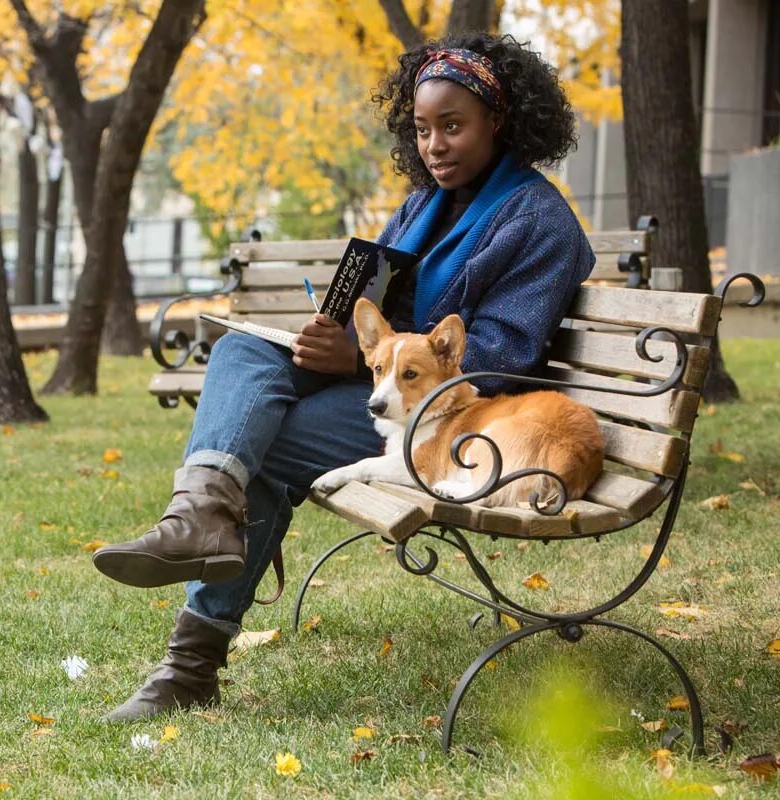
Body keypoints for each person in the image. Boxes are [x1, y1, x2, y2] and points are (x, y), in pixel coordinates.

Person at [92, 32, 595, 722]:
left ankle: (189, 663)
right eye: (422, 129)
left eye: (453, 126)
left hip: (456, 419)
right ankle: (200, 516)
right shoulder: (425, 203)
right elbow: (381, 306)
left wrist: (367, 362)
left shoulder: (539, 222)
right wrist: (340, 340)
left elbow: (501, 359)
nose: (435, 145)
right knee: (242, 352)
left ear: (499, 123)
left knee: (263, 442)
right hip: (385, 382)